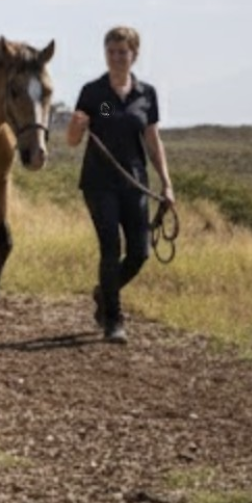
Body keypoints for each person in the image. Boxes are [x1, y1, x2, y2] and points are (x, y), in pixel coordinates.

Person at [63, 25, 173, 344]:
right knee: (110, 249)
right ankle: (113, 319)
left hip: (136, 183)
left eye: (122, 52)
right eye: (111, 52)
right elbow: (75, 139)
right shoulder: (97, 95)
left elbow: (152, 139)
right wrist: (76, 126)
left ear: (134, 55)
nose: (116, 57)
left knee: (140, 253)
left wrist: (167, 184)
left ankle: (104, 292)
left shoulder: (145, 95)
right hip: (100, 184)